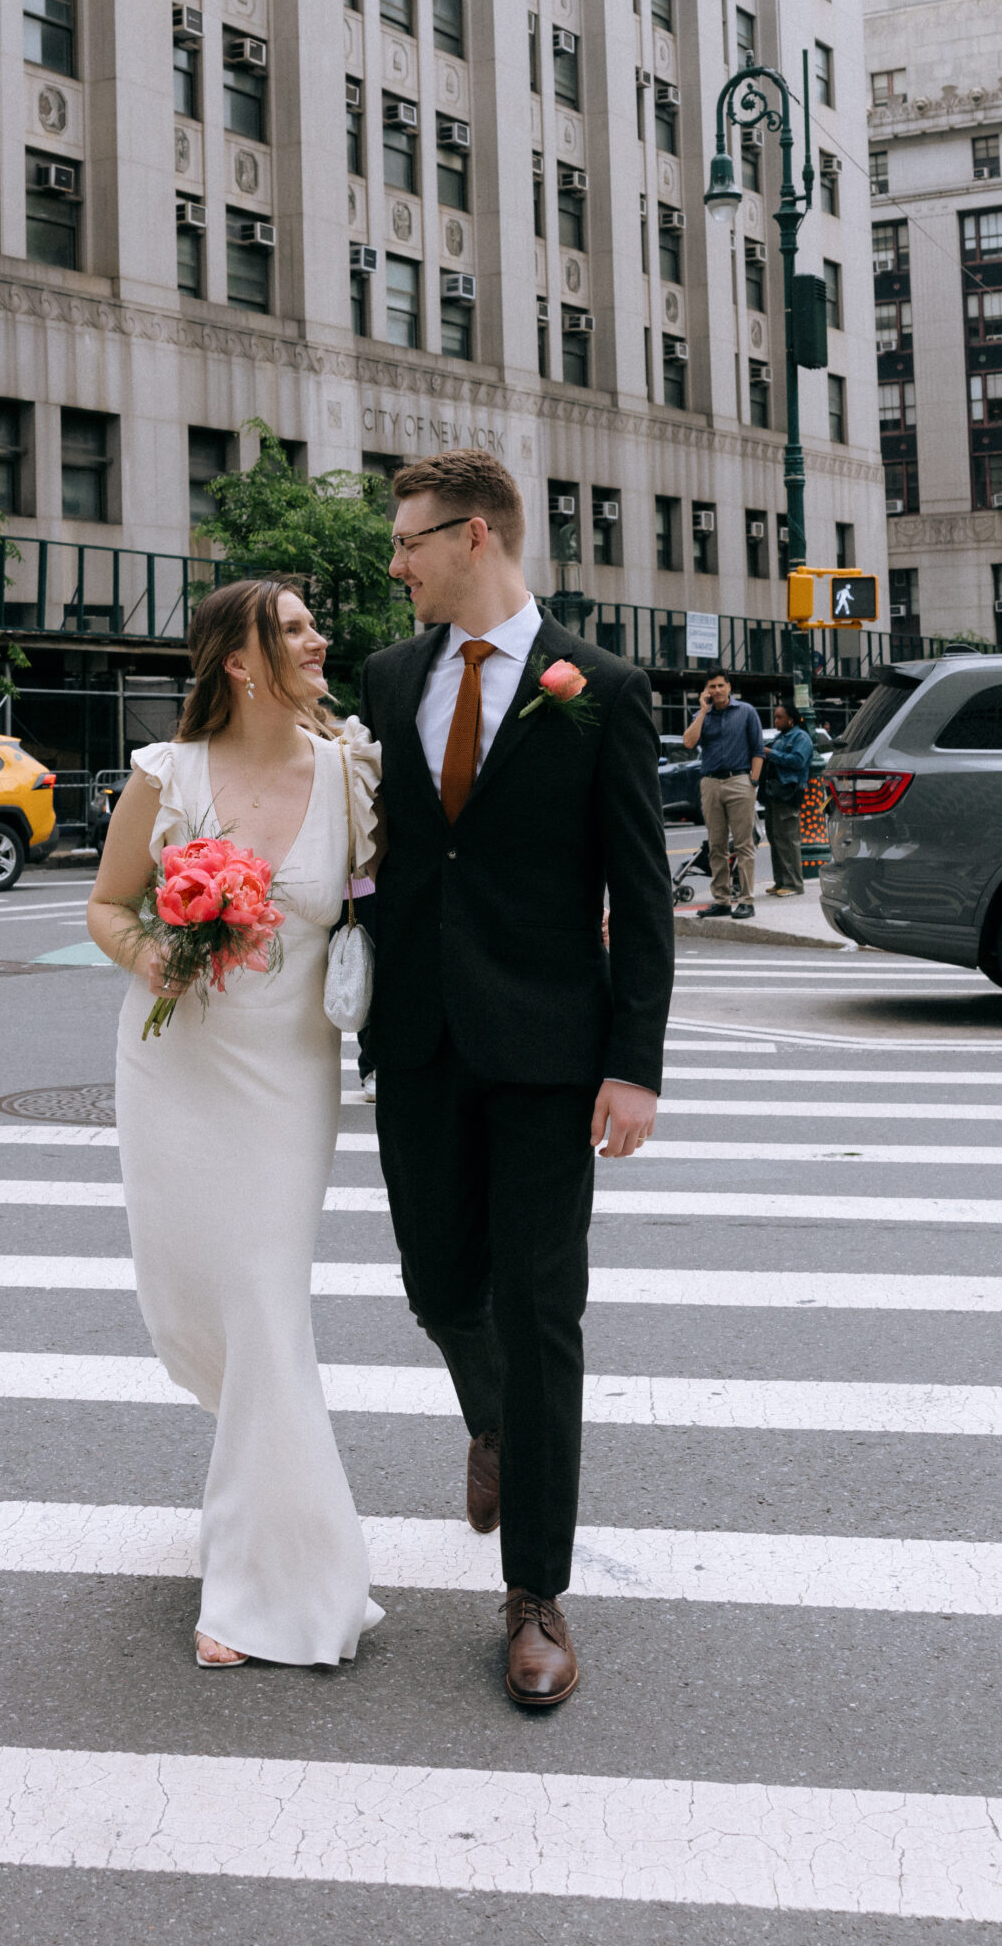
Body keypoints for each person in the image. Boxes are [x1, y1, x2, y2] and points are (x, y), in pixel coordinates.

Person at [359, 449, 673, 1710]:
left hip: (550, 1051)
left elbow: (642, 892)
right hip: (420, 1040)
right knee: (440, 1283)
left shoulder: (599, 688)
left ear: (473, 536)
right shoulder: (390, 680)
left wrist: (633, 1064)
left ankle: (536, 1593)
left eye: (410, 541)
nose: (397, 563)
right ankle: (488, 1419)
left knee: (544, 1315)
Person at [86, 579, 384, 1672]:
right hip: (174, 1066)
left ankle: (279, 1590)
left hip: (285, 1075)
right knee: (193, 1313)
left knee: (264, 1304)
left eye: (315, 621)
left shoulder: (352, 773)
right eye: (297, 627)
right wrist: (155, 951)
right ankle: (262, 1480)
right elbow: (108, 906)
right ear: (243, 662)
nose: (321, 637)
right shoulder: (168, 778)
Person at [682, 671, 763, 919]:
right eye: (711, 687)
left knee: (743, 844)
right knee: (716, 845)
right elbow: (688, 742)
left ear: (729, 686)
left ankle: (747, 900)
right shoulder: (702, 715)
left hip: (739, 780)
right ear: (705, 691)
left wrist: (753, 782)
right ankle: (722, 900)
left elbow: (758, 749)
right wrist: (704, 711)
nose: (716, 690)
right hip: (710, 783)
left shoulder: (746, 711)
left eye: (720, 685)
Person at [759, 700, 814, 896]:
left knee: (788, 839)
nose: (776, 721)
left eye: (779, 717)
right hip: (774, 792)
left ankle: (793, 884)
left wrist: (771, 753)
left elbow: (798, 761)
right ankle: (781, 881)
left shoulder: (801, 737)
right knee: (775, 837)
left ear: (791, 720)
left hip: (788, 791)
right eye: (775, 717)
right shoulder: (780, 737)